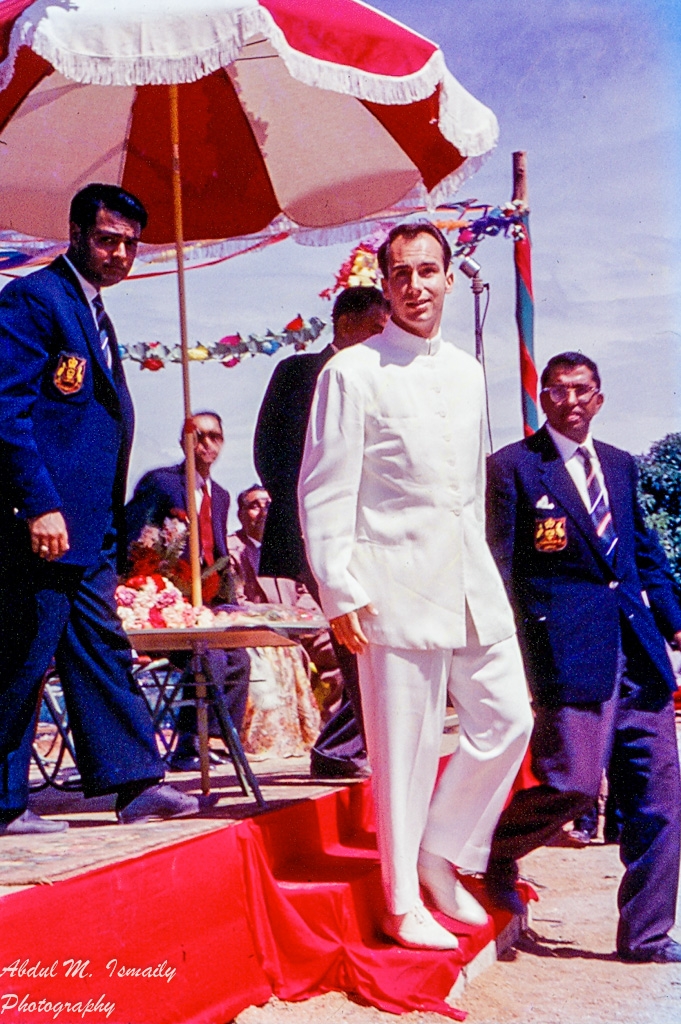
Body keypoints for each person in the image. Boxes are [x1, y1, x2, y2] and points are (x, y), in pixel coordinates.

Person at [298, 222, 533, 950]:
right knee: (404, 749)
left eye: (428, 271)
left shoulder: (466, 371)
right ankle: (401, 902)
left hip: (467, 578)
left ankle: (440, 853)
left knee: (508, 720)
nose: (415, 286)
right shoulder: (351, 372)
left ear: (450, 278)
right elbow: (323, 489)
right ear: (384, 283)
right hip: (389, 585)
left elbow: (466, 489)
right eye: (400, 273)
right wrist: (339, 591)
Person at [0, 183, 199, 832]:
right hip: (44, 525)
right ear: (77, 234)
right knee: (23, 656)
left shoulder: (92, 312)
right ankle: (3, 801)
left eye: (130, 244)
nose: (120, 254)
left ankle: (135, 783)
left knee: (99, 647)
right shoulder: (36, 299)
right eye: (108, 239)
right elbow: (7, 411)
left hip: (92, 527)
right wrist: (38, 505)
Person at [484, 351, 681, 964]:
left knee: (660, 800)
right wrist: (508, 656)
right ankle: (489, 852)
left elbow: (643, 555)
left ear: (599, 398)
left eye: (581, 389)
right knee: (571, 783)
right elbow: (501, 570)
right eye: (557, 390)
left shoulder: (619, 464)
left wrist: (675, 623)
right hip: (567, 656)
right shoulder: (514, 468)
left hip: (638, 654)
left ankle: (646, 935)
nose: (570, 400)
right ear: (543, 398)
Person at [255, 286, 389, 777]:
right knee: (355, 635)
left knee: (378, 637)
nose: (383, 337)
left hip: (376, 532)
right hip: (314, 534)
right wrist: (318, 516)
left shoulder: (384, 377)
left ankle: (341, 747)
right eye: (376, 327)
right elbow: (270, 454)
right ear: (345, 323)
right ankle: (364, 744)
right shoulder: (298, 374)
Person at [125, 412, 250, 772]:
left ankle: (216, 738)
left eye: (214, 436)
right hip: (164, 602)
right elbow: (134, 539)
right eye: (198, 436)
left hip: (206, 603)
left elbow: (218, 553)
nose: (206, 443)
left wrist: (229, 604)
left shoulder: (220, 496)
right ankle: (187, 743)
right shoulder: (162, 484)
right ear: (184, 442)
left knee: (239, 658)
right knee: (208, 656)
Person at [229, 485, 343, 718]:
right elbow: (237, 601)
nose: (263, 511)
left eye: (268, 505)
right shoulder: (233, 550)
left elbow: (304, 590)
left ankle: (334, 724)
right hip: (262, 632)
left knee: (340, 650)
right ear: (240, 514)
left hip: (300, 627)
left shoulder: (285, 546)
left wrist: (304, 617)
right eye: (254, 506)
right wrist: (278, 616)